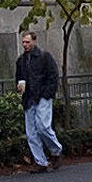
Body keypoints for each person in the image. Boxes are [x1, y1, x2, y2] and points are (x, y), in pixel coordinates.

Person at [14, 29, 64, 172]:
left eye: (27, 42)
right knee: (31, 133)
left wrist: (47, 94)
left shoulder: (44, 57)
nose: (25, 45)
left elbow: (53, 76)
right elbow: (18, 78)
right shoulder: (21, 61)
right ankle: (40, 161)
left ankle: (56, 150)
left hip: (42, 96)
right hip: (29, 98)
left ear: (34, 42)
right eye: (23, 42)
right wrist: (19, 86)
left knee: (43, 126)